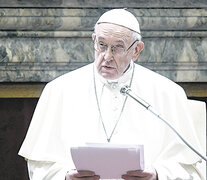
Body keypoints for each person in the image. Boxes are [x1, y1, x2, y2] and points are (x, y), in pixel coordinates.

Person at [19, 9, 205, 179]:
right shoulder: (58, 90)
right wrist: (65, 177)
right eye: (101, 45)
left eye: (117, 47)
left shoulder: (168, 93)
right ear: (93, 40)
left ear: (137, 50)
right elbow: (39, 166)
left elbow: (194, 170)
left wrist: (157, 175)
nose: (107, 56)